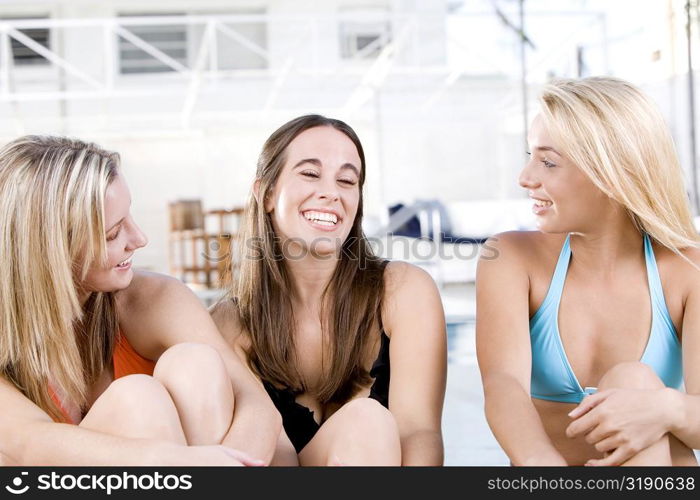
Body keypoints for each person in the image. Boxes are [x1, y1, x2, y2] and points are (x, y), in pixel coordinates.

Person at [0, 136, 281, 466]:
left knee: (195, 363)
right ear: (51, 252)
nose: (140, 239)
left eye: (129, 218)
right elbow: (28, 443)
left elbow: (256, 405)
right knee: (137, 401)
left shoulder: (151, 299)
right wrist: (177, 462)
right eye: (112, 233)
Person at [477, 76, 700, 466]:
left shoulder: (686, 269)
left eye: (547, 162)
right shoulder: (511, 258)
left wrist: (666, 409)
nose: (526, 178)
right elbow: (503, 386)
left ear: (611, 172)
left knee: (635, 382)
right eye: (530, 157)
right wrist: (542, 465)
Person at [211, 115, 447, 465]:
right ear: (267, 193)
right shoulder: (230, 323)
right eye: (309, 173)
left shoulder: (404, 293)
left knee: (367, 422)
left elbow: (419, 434)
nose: (331, 193)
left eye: (347, 180)